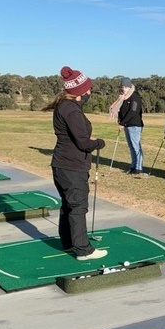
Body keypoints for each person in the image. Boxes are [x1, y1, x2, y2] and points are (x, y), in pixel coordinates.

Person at [43, 66, 107, 261]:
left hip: (62, 164)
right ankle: (83, 249)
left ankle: (69, 242)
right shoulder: (71, 110)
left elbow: (76, 135)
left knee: (69, 205)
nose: (90, 92)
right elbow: (83, 143)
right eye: (88, 89)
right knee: (77, 206)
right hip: (72, 166)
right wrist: (99, 143)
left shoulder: (65, 106)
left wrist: (86, 137)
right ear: (80, 91)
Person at [117, 76, 144, 175]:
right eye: (122, 86)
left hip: (135, 125)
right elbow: (121, 110)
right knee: (131, 146)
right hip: (126, 125)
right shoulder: (123, 97)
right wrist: (120, 120)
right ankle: (133, 166)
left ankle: (139, 167)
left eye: (125, 86)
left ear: (129, 86)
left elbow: (133, 111)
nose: (123, 88)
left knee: (136, 146)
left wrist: (122, 122)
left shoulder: (135, 96)